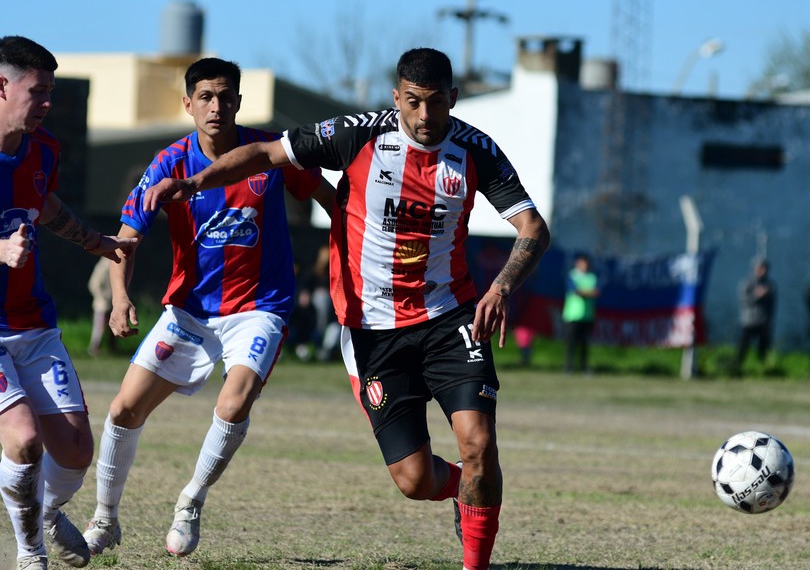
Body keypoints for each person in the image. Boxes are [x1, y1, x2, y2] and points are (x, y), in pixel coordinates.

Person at [144, 47, 550, 570]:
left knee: (479, 442)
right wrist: (196, 182)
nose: (426, 117)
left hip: (451, 316)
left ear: (455, 97)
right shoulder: (357, 133)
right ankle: (459, 489)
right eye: (414, 102)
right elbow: (268, 154)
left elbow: (532, 229)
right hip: (373, 329)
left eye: (437, 104)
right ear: (396, 97)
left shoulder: (476, 150)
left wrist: (502, 287)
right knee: (414, 480)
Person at [81, 57, 335, 559]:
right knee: (123, 409)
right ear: (188, 104)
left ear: (239, 102)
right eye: (205, 97)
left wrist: (353, 256)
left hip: (262, 308)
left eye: (225, 97)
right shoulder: (169, 163)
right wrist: (120, 297)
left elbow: (332, 200)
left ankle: (190, 501)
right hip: (191, 311)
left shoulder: (271, 152)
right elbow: (124, 241)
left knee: (235, 402)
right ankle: (105, 520)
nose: (215, 106)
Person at [0, 36, 137, 570]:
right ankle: (30, 552)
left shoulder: (44, 149)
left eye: (52, 92)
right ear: (2, 86)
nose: (47, 103)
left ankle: (45, 512)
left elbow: (45, 203)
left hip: (34, 324)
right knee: (26, 440)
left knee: (77, 451)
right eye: (38, 92)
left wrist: (93, 241)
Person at [734, 257, 776, 373]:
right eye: (759, 268)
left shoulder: (770, 285)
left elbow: (772, 305)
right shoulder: (747, 283)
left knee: (763, 348)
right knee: (743, 347)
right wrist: (757, 295)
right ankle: (736, 368)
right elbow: (743, 301)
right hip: (749, 321)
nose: (761, 271)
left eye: (764, 268)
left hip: (763, 321)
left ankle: (764, 370)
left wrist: (770, 320)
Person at [562, 254, 599, 374]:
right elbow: (575, 291)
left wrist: (584, 292)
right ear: (577, 264)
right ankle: (569, 368)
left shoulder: (592, 277)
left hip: (587, 315)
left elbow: (596, 292)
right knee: (571, 344)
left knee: (585, 344)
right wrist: (588, 293)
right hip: (572, 315)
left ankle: (584, 368)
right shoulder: (572, 276)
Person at [86, 258, 115, 357]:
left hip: (113, 303)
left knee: (114, 327)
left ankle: (112, 349)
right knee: (99, 327)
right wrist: (103, 296)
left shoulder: (111, 261)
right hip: (102, 303)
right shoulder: (105, 264)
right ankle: (94, 348)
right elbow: (94, 284)